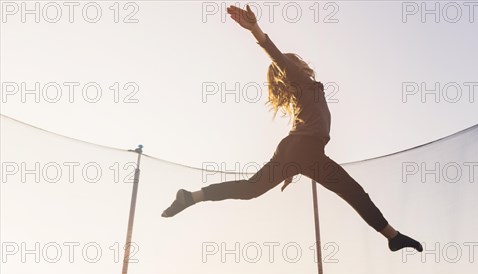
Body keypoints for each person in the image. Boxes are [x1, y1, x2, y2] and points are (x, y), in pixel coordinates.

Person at [162, 5, 423, 253]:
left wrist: (290, 167)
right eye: (293, 64)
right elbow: (275, 55)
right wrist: (256, 30)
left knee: (252, 189)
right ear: (294, 68)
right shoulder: (301, 81)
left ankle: (190, 197)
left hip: (300, 152)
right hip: (303, 151)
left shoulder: (308, 91)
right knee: (352, 192)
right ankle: (393, 237)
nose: (298, 65)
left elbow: (301, 129)